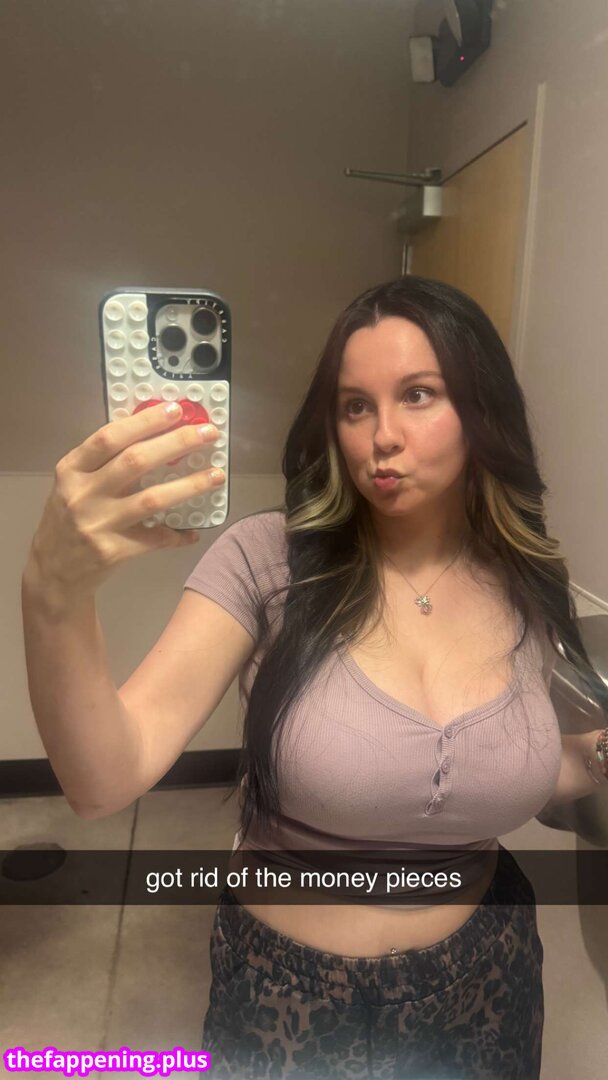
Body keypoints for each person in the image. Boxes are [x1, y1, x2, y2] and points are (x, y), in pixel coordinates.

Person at [21, 275, 608, 1080]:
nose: (381, 437)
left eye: (418, 394)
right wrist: (54, 594)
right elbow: (102, 780)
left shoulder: (526, 580)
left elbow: (513, 765)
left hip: (486, 980)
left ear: (483, 409)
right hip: (290, 998)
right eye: (355, 406)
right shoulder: (267, 561)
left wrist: (597, 754)